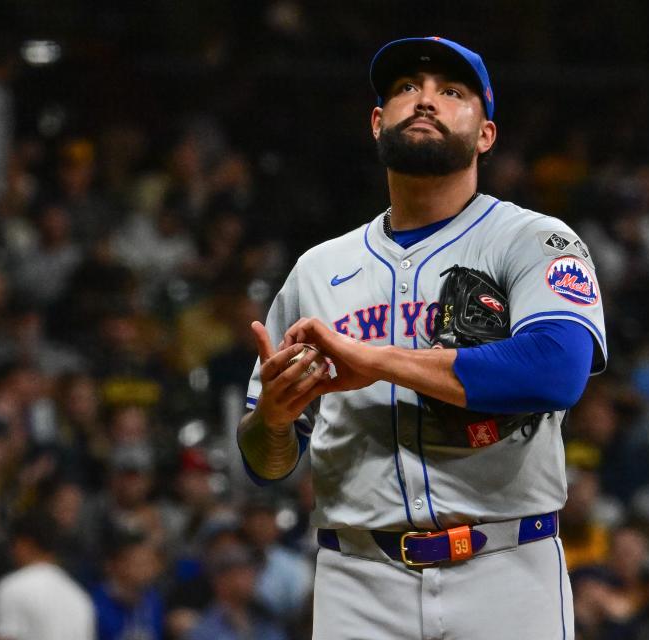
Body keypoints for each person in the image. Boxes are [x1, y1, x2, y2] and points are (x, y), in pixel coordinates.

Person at [237, 36, 607, 638]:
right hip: (357, 577)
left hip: (507, 566)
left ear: (486, 134)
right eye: (407, 88)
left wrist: (379, 360)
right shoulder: (317, 270)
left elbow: (556, 370)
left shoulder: (533, 240)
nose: (426, 100)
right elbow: (265, 464)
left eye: (452, 92)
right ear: (378, 123)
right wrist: (274, 422)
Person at [0, 512, 95, 640]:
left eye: (13, 544)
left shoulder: (12, 588)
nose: (11, 552)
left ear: (24, 543)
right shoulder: (80, 597)